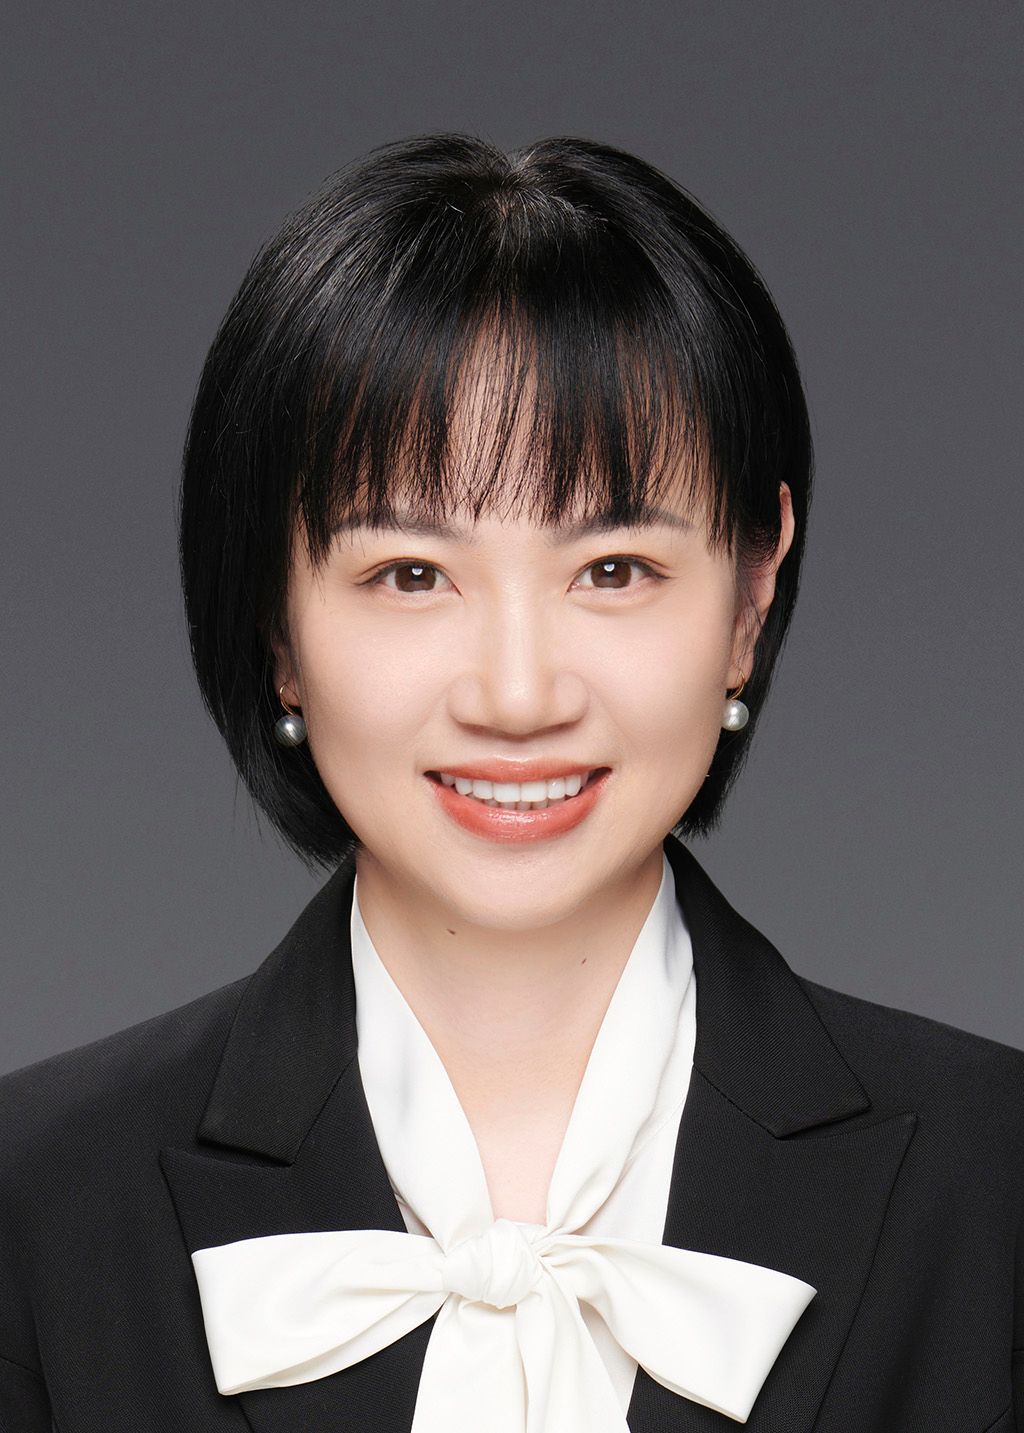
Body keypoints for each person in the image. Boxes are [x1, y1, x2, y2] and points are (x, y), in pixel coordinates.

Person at [0, 131, 1020, 1433]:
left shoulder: (998, 1184)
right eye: (410, 575)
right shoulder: (36, 1207)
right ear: (276, 625)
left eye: (614, 571)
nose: (519, 694)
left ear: (750, 597)